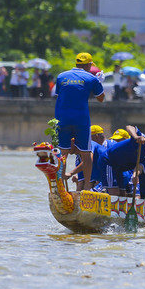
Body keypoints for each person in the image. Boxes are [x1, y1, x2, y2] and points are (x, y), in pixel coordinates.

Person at [54, 52, 105, 187]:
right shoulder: (91, 78)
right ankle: (87, 187)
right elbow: (101, 98)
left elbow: (60, 95)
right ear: (89, 65)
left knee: (63, 153)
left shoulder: (61, 76)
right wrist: (99, 82)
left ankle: (61, 186)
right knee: (86, 154)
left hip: (61, 119)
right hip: (81, 120)